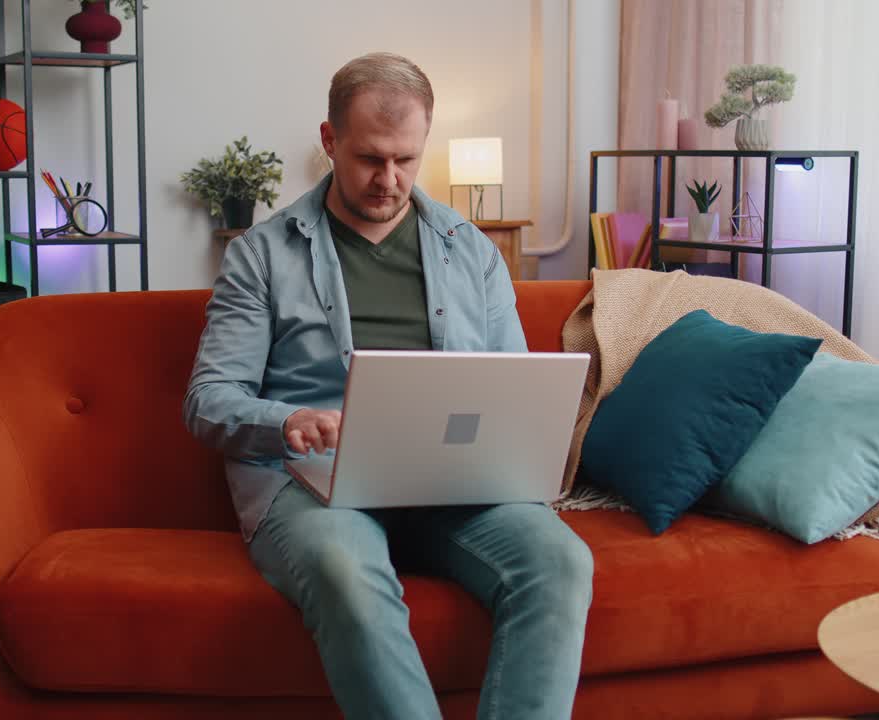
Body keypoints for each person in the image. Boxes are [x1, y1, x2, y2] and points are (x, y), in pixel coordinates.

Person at [183, 52, 593, 720]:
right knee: (345, 570)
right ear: (329, 141)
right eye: (371, 158)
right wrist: (287, 421)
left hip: (453, 485)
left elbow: (514, 384)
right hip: (313, 485)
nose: (390, 180)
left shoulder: (473, 250)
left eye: (407, 159)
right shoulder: (262, 253)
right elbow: (208, 400)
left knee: (561, 562)